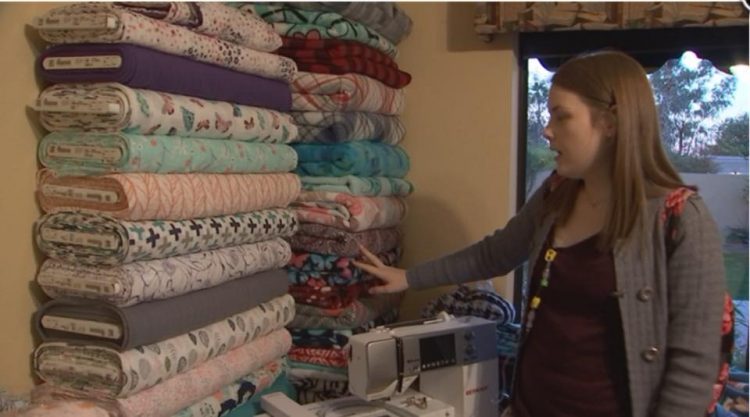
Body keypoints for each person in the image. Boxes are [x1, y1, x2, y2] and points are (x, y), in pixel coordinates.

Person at [353, 50, 727, 417]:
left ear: (610, 122)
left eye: (561, 116)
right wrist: (409, 277)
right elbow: (494, 254)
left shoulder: (680, 220)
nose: (547, 131)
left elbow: (693, 367)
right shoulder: (557, 193)